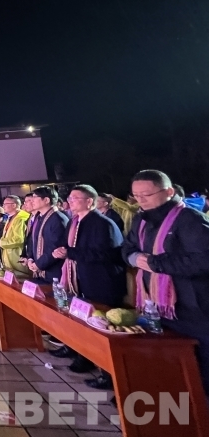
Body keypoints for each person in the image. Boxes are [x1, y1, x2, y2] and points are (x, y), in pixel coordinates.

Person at [122, 169, 209, 398]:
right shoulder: (141, 219)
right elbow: (127, 248)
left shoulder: (189, 219)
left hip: (191, 307)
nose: (140, 200)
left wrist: (155, 263)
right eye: (136, 196)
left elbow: (203, 260)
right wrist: (135, 258)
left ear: (169, 191)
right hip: (153, 304)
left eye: (147, 195)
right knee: (166, 361)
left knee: (200, 369)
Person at [51, 184, 126, 383]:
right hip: (79, 279)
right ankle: (84, 357)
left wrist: (70, 253)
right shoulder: (74, 222)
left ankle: (110, 375)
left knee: (103, 328)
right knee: (82, 322)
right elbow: (67, 245)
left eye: (75, 198)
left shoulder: (102, 223)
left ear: (89, 201)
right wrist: (61, 251)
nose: (70, 201)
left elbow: (107, 254)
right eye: (70, 198)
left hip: (101, 281)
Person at [21, 186, 68, 283]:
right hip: (39, 268)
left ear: (46, 200)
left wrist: (38, 264)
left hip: (53, 272)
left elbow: (56, 248)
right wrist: (30, 259)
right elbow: (33, 241)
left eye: (35, 197)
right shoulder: (39, 218)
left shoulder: (58, 219)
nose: (32, 200)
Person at [0, 196, 31, 278]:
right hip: (9, 255)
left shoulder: (21, 218)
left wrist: (1, 243)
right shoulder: (11, 217)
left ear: (14, 205)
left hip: (17, 256)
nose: (3, 206)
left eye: (5, 204)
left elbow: (19, 239)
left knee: (20, 280)